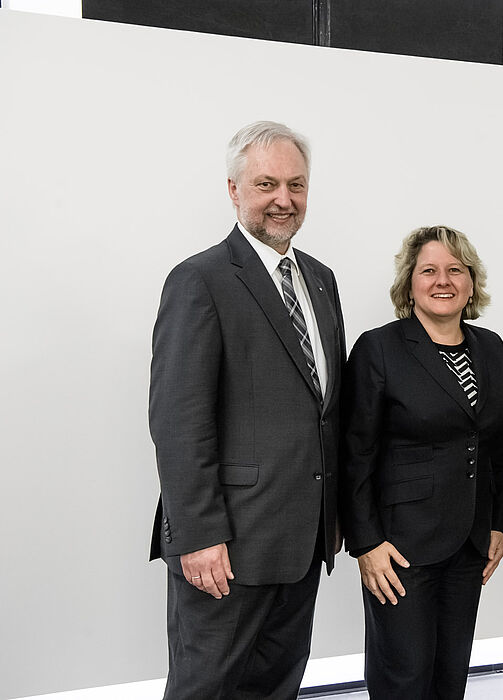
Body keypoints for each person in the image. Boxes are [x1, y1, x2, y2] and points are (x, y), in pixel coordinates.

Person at [148, 121, 345, 699]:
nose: (284, 199)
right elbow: (178, 421)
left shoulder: (321, 280)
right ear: (234, 190)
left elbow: (323, 408)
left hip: (301, 540)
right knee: (205, 689)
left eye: (296, 185)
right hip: (226, 547)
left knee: (276, 688)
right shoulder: (199, 280)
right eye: (266, 184)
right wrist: (197, 534)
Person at [342, 225, 503, 698]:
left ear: (471, 282)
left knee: (449, 675)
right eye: (429, 271)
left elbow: (501, 445)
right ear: (409, 283)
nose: (443, 281)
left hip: (469, 543)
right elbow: (354, 454)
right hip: (399, 548)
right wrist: (366, 543)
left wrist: (499, 524)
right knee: (405, 677)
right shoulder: (378, 348)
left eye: (455, 270)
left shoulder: (491, 349)